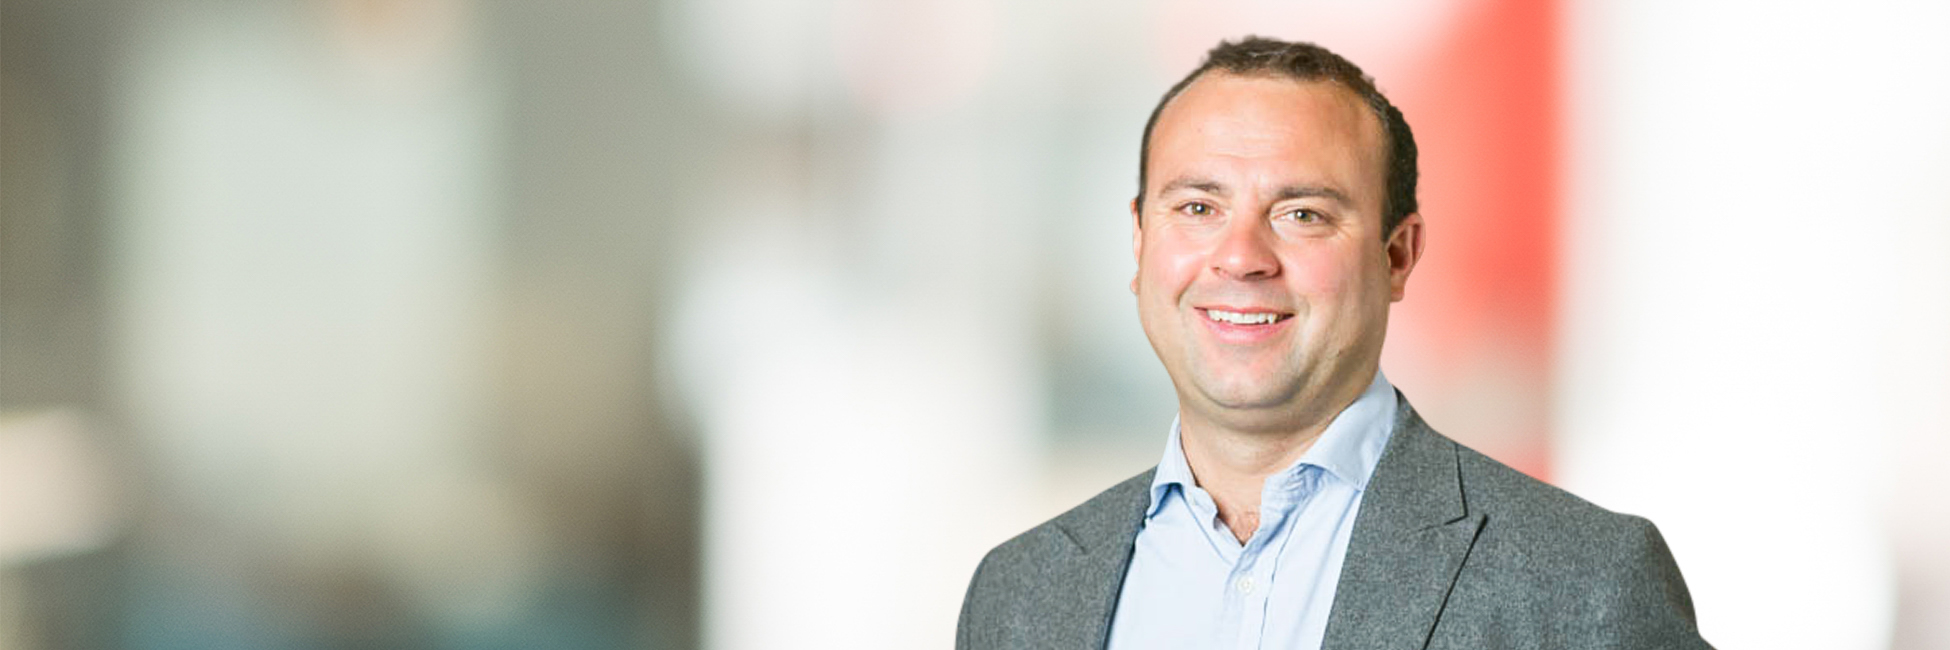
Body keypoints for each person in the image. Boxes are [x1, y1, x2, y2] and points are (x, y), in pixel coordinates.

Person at [955, 37, 1711, 650]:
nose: (1241, 257)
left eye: (1303, 215)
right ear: (1139, 240)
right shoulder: (1020, 593)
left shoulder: (1583, 582)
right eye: (1198, 207)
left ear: (1397, 256)